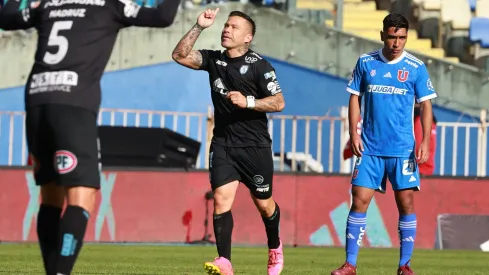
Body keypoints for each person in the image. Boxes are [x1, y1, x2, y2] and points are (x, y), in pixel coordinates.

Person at [0, 0, 180, 274]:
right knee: (82, 197)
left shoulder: (48, 4)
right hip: (73, 105)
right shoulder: (109, 5)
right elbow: (163, 16)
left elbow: (6, 18)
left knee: (50, 196)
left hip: (37, 99)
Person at [172, 8, 285, 275]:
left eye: (234, 27)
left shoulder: (261, 65)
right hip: (223, 143)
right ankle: (225, 261)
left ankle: (275, 247)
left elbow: (279, 102)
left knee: (264, 204)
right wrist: (199, 27)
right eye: (226, 25)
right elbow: (179, 55)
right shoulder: (214, 60)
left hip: (254, 146)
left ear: (248, 37)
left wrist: (249, 102)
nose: (226, 29)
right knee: (221, 199)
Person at [330, 13, 437, 275]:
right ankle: (350, 264)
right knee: (359, 200)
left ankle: (404, 265)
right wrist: (354, 134)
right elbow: (354, 97)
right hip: (370, 147)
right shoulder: (366, 63)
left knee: (406, 203)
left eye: (401, 37)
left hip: (402, 150)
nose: (396, 43)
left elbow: (425, 105)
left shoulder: (416, 67)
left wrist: (423, 140)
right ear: (382, 35)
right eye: (392, 37)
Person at [413, 103, 437, 176]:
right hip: (426, 168)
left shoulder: (419, 121)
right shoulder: (431, 123)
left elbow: (417, 148)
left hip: (419, 169)